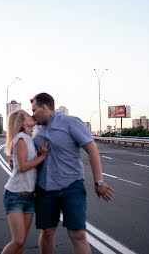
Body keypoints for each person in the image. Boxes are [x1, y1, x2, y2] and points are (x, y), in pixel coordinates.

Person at [31, 93, 114, 254]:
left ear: (45, 107)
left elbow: (92, 150)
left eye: (34, 110)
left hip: (71, 187)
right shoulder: (35, 129)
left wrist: (99, 182)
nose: (32, 114)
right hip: (45, 189)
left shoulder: (71, 123)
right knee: (47, 232)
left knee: (78, 234)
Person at [2, 109, 49, 254]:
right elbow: (22, 167)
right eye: (28, 115)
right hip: (15, 195)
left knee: (21, 245)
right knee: (18, 241)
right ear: (22, 122)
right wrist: (42, 156)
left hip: (29, 197)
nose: (32, 115)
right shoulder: (21, 138)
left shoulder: (30, 138)